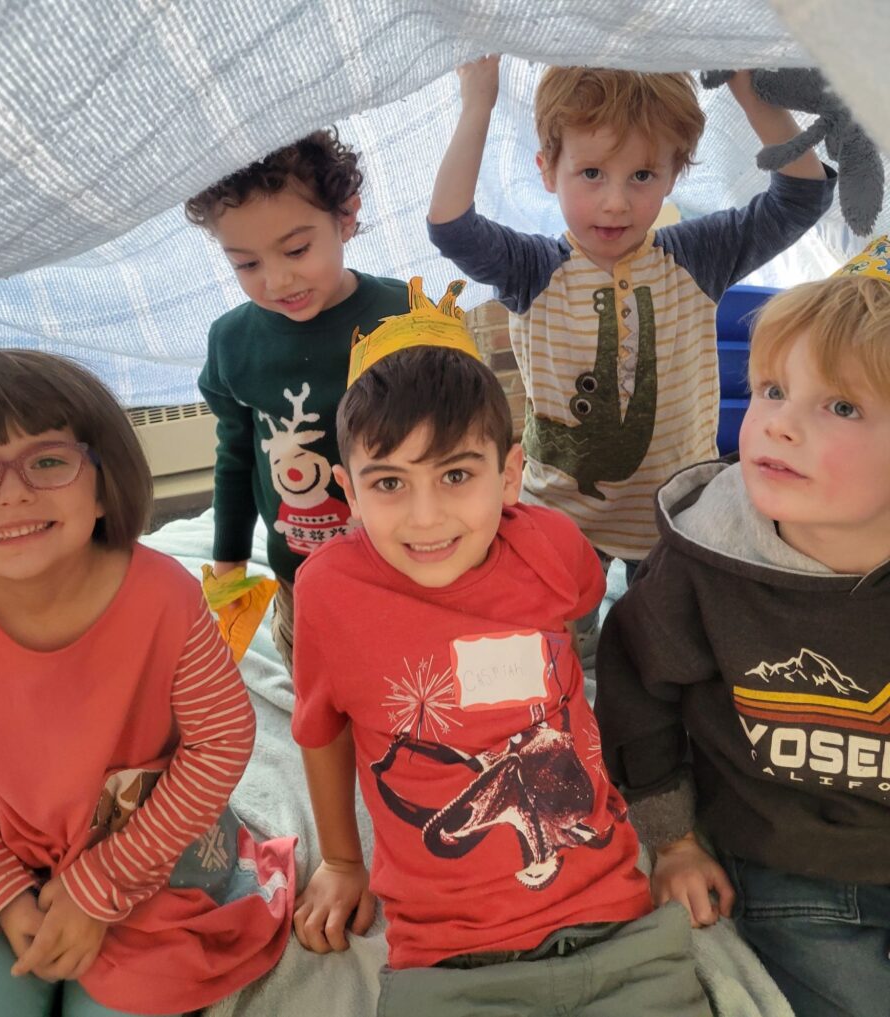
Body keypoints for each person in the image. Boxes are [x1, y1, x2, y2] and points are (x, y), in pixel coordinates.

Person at [289, 280, 711, 1016]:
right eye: (388, 482)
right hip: (449, 958)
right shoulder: (327, 592)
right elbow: (321, 728)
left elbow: (578, 622)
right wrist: (339, 858)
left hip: (614, 922)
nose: (426, 518)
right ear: (347, 493)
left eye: (456, 474)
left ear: (510, 474)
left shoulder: (552, 545)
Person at [0, 350, 296, 1017]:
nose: (12, 492)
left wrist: (103, 884)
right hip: (11, 864)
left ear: (102, 483)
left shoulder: (165, 598)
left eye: (47, 461)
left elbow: (220, 742)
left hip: (160, 861)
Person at [593, 237, 890, 1017]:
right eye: (769, 389)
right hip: (794, 859)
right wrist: (675, 841)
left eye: (841, 405)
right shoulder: (703, 559)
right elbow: (635, 692)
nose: (777, 425)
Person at [427, 58, 834, 588]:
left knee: (661, 654)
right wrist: (477, 102)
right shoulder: (531, 269)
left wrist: (747, 85)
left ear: (674, 175)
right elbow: (451, 226)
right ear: (548, 169)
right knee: (562, 652)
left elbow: (803, 194)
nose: (615, 203)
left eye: (642, 175)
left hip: (679, 514)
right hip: (560, 519)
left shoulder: (697, 256)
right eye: (591, 173)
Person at [185, 130, 409, 672]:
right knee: (318, 686)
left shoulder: (407, 316)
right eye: (246, 264)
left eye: (296, 250)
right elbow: (236, 456)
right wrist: (229, 564)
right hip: (300, 572)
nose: (277, 280)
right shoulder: (232, 341)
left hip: (407, 565)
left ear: (347, 217)